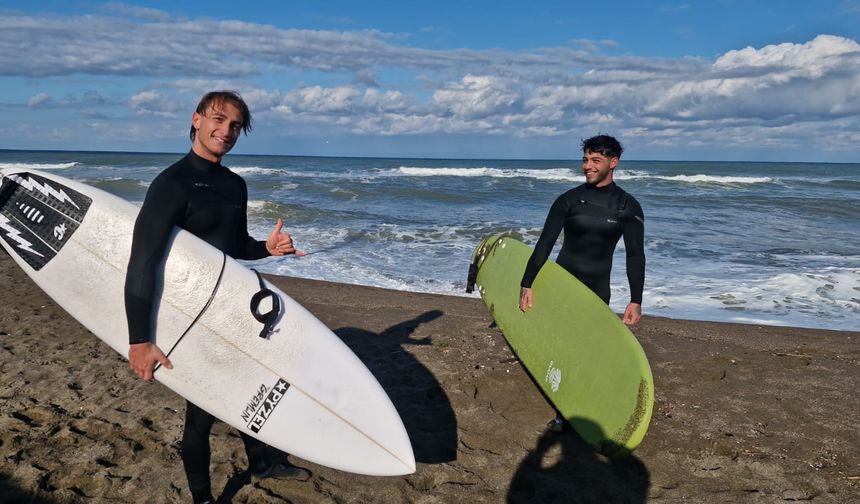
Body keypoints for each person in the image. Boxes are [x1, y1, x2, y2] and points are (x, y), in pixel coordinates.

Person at [124, 91, 309, 504]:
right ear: (196, 120)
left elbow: (234, 246)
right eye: (218, 119)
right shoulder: (170, 185)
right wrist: (140, 340)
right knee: (202, 413)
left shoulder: (234, 185)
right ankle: (203, 498)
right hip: (190, 315)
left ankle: (261, 463)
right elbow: (143, 262)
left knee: (248, 385)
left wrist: (267, 248)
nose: (226, 131)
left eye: (235, 125)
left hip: (229, 306)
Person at [518, 134, 645, 431]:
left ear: (613, 163)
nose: (588, 166)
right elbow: (545, 243)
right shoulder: (569, 200)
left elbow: (635, 255)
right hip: (564, 286)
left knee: (588, 350)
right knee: (562, 348)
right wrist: (527, 283)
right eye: (585, 159)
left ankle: (584, 406)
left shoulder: (628, 206)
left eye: (595, 160)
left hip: (597, 290)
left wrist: (635, 299)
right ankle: (562, 410)